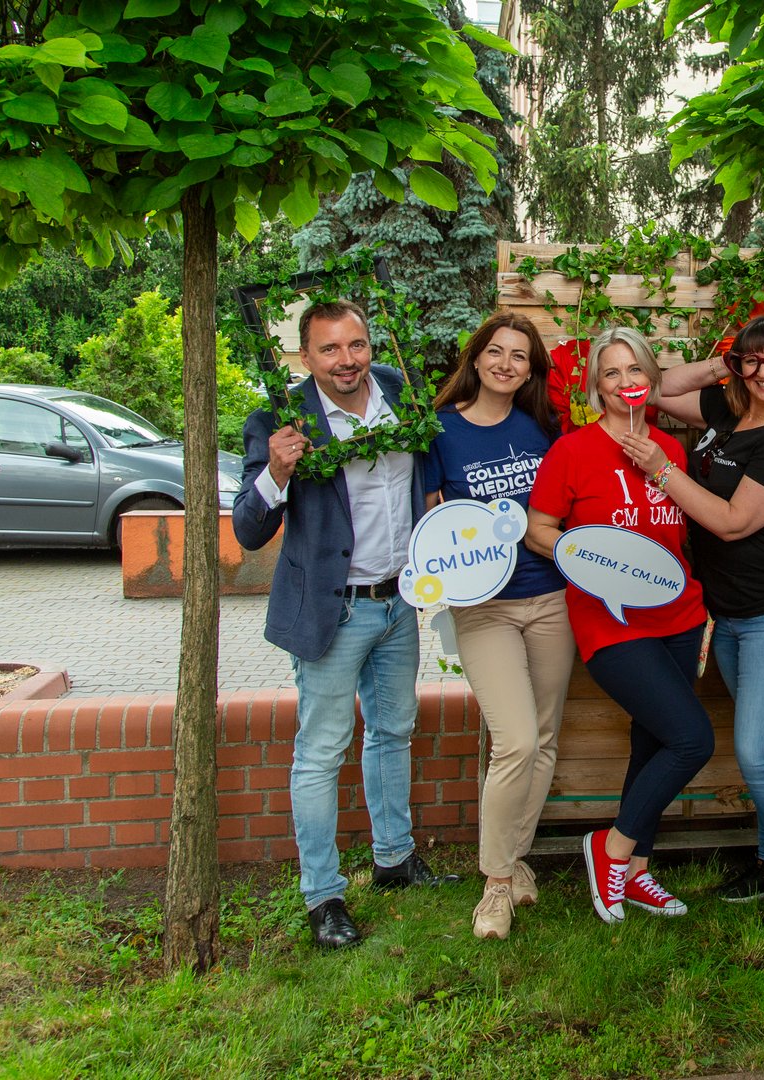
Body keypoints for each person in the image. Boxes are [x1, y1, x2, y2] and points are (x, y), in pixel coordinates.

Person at [234, 298, 458, 951]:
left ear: (370, 345)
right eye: (329, 349)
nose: (346, 360)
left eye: (355, 344)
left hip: (398, 603)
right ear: (305, 357)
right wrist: (276, 472)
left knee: (392, 732)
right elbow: (248, 529)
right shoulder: (279, 420)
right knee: (321, 751)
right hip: (334, 610)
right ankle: (323, 897)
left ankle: (395, 859)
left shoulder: (397, 390)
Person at [618, 313, 764, 938]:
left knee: (757, 752)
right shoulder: (729, 412)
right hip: (729, 609)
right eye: (752, 360)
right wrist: (725, 362)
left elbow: (733, 522)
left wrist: (662, 470)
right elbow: (655, 389)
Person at [526, 325, 714, 925]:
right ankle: (610, 847)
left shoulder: (671, 451)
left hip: (680, 614)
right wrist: (584, 558)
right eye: (612, 372)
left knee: (653, 740)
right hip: (609, 619)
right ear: (596, 387)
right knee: (692, 739)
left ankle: (635, 872)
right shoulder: (572, 451)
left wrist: (660, 468)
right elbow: (537, 528)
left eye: (635, 370)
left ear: (651, 380)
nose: (625, 381)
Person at [422, 312, 575, 941]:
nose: (506, 364)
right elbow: (430, 523)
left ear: (531, 369)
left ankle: (514, 859)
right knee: (514, 740)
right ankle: (496, 882)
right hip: (483, 606)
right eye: (496, 351)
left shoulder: (544, 427)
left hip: (551, 598)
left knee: (543, 737)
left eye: (519, 356)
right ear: (476, 357)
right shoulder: (441, 430)